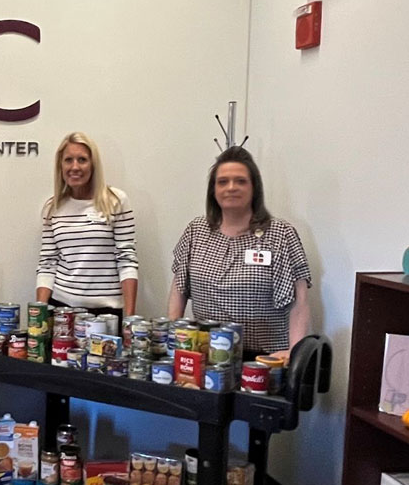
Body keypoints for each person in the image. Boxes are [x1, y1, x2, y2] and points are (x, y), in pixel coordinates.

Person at [167, 146, 311, 359]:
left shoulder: (281, 234)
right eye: (223, 181)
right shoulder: (195, 231)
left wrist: (294, 354)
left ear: (254, 188)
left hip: (264, 358)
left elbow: (300, 301)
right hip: (206, 356)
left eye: (241, 181)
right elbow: (178, 291)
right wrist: (173, 341)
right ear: (213, 190)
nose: (231, 187)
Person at [35, 132, 138, 321]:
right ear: (61, 166)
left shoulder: (116, 201)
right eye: (68, 160)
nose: (75, 167)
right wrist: (40, 315)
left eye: (82, 160)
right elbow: (47, 263)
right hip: (61, 311)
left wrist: (130, 317)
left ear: (93, 165)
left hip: (106, 314)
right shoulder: (53, 208)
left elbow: (127, 259)